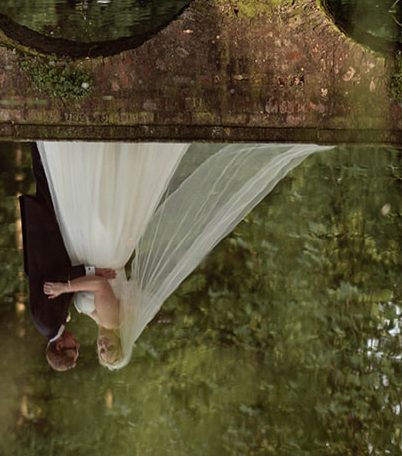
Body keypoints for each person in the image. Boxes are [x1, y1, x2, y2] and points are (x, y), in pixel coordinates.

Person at [39, 141, 327, 369]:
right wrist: (66, 287)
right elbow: (100, 285)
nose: (102, 347)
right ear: (120, 341)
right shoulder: (113, 321)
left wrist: (72, 281)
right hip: (104, 247)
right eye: (110, 349)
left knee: (93, 187)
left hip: (88, 250)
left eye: (100, 352)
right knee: (104, 192)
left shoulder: (94, 320)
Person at [19, 143, 89, 370]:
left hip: (47, 241)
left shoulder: (48, 322)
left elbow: (55, 279)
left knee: (48, 183)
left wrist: (88, 272)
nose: (77, 344)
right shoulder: (52, 324)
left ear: (59, 346)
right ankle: (44, 142)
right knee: (52, 184)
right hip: (50, 243)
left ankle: (39, 140)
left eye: (74, 348)